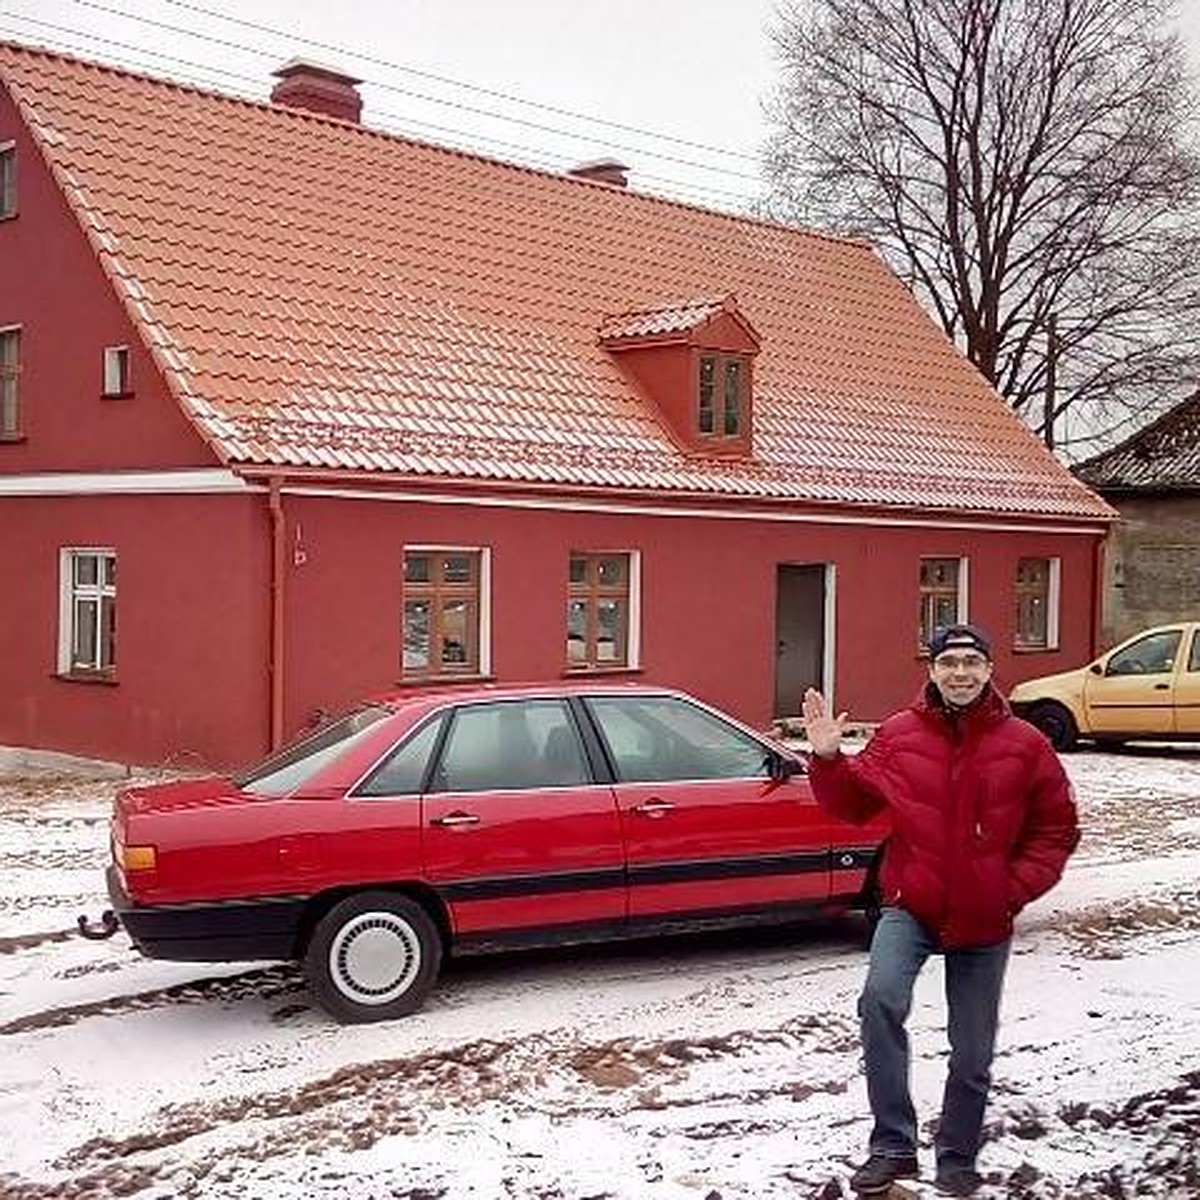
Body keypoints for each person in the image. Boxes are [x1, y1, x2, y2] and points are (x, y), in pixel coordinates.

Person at [801, 623, 1079, 1197]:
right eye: (948, 662)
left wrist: (1011, 888)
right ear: (931, 670)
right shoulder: (900, 735)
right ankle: (893, 1145)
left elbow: (1056, 830)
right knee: (879, 1000)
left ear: (988, 670)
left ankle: (957, 1154)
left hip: (984, 917)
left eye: (971, 663)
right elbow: (853, 806)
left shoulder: (1026, 744)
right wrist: (827, 759)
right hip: (911, 904)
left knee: (972, 1050)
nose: (960, 673)